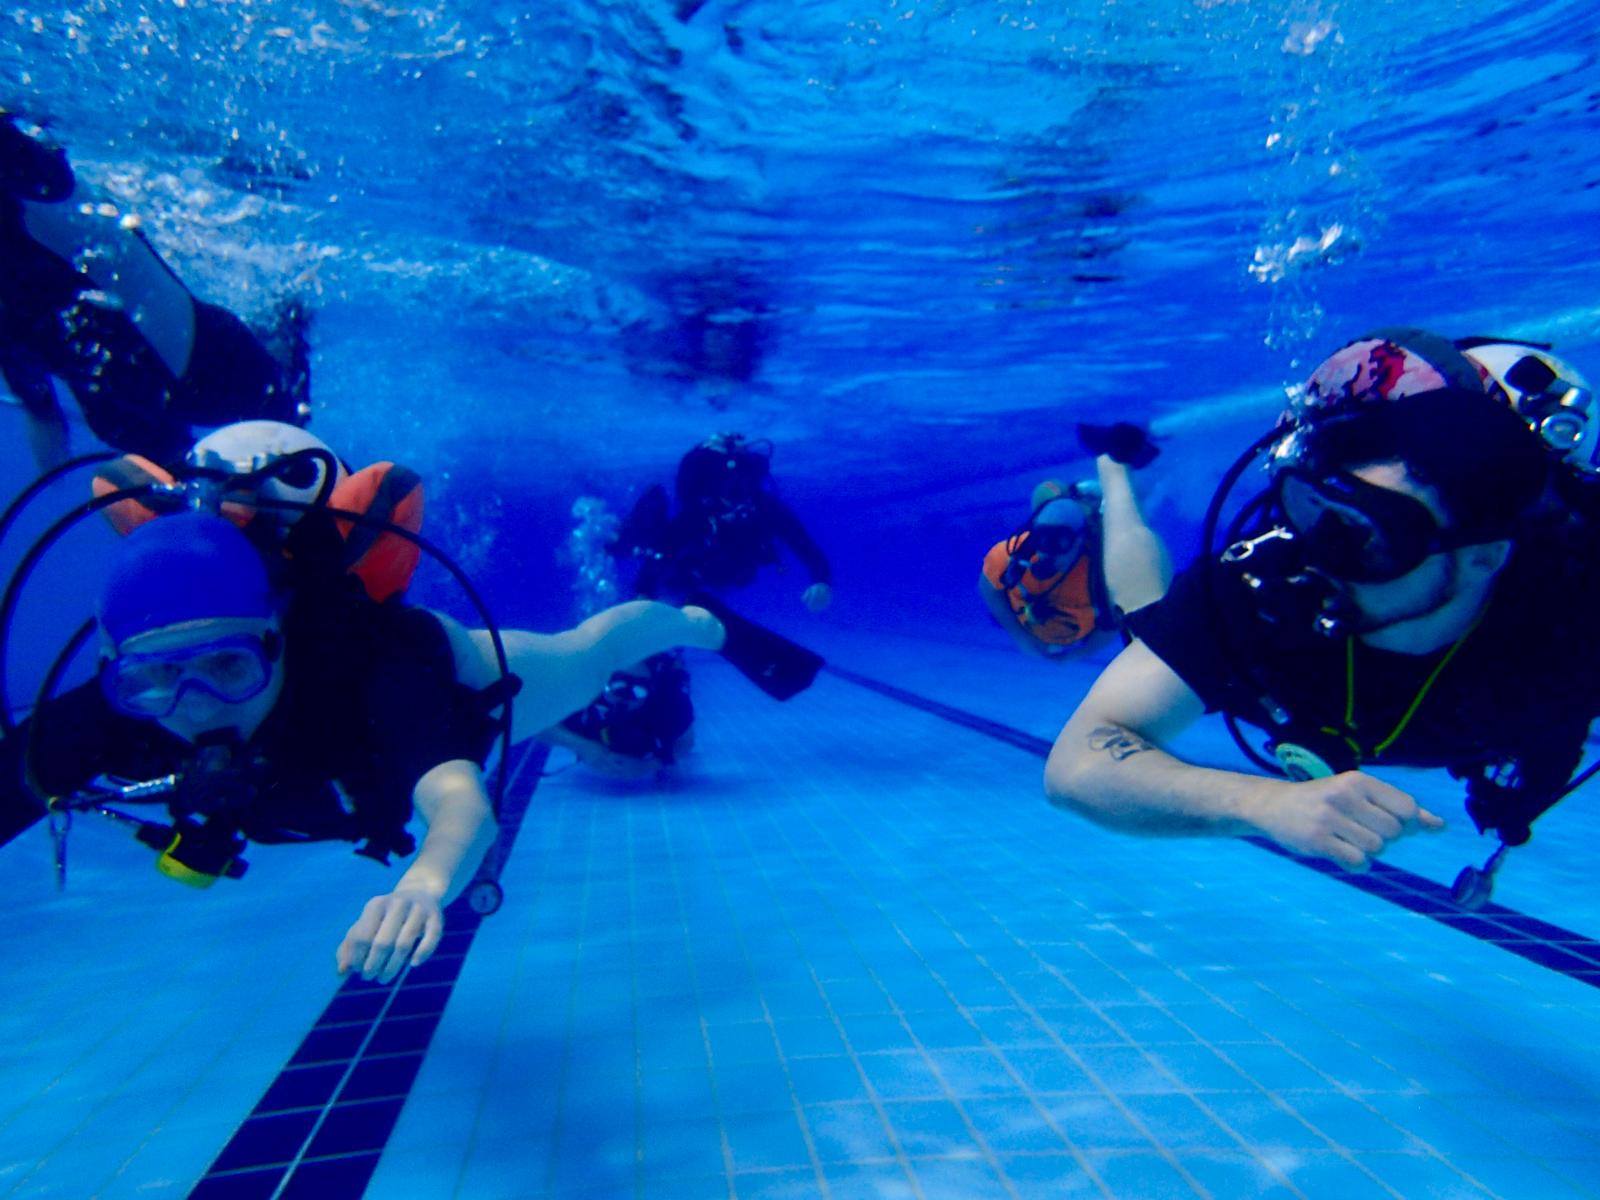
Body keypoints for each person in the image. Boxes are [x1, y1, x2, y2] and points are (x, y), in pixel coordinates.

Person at [0, 483, 817, 982]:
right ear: (116, 668)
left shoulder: (376, 672)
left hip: (469, 688)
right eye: (150, 678)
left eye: (227, 667)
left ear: (276, 634)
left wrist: (426, 883)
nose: (193, 705)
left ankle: (696, 626)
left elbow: (460, 803)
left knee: (594, 651)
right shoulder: (114, 710)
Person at [1043, 329, 1600, 886]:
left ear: (1482, 558)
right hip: (1297, 689)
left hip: (1502, 720)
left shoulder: (1574, 616)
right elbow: (1077, 766)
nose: (1320, 557)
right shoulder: (1268, 579)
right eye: (1310, 508)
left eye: (1370, 534)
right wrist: (1260, 803)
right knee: (1145, 617)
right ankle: (1114, 475)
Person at [0, 110, 310, 472]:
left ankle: (288, 317)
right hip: (132, 410)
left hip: (205, 363)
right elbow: (36, 399)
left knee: (289, 432)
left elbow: (51, 177)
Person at [980, 422, 1172, 657]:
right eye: (1042, 539)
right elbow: (989, 589)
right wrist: (1022, 639)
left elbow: (1114, 623)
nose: (1048, 551)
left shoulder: (1103, 571)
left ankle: (1121, 459)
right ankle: (1112, 462)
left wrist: (1073, 657)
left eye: (1060, 542)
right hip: (1041, 619)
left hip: (1097, 524)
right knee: (1052, 493)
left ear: (1080, 541)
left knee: (1128, 517)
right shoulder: (1014, 555)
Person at [614, 433, 833, 612]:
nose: (737, 498)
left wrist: (821, 580)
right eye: (729, 489)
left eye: (743, 487)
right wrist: (643, 593)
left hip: (732, 572)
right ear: (714, 488)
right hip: (691, 570)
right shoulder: (699, 513)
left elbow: (804, 544)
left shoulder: (766, 507)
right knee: (661, 551)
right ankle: (620, 541)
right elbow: (665, 551)